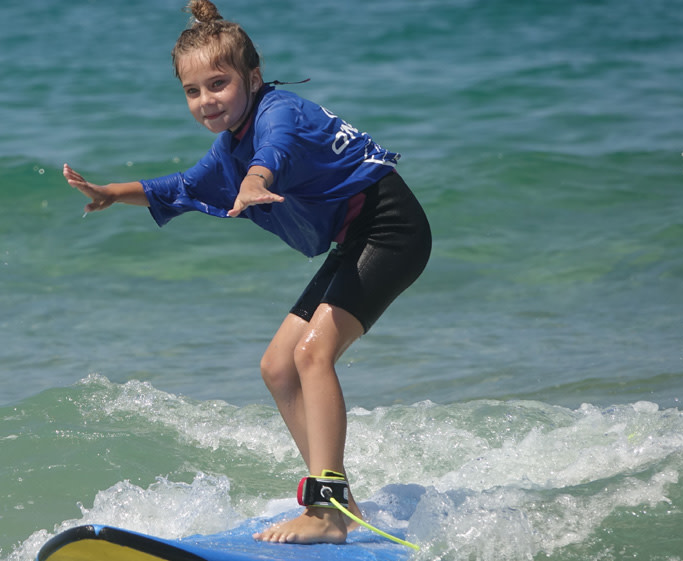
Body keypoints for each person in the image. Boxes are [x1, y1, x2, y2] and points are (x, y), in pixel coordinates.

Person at [62, 0, 431, 545]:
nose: (207, 101)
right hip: (356, 237)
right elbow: (182, 188)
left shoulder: (279, 111)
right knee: (278, 366)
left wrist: (257, 179)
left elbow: (276, 149)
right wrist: (112, 193)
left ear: (252, 78)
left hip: (391, 229)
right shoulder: (228, 149)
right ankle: (343, 500)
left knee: (312, 353)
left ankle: (325, 510)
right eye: (193, 91)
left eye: (219, 84)